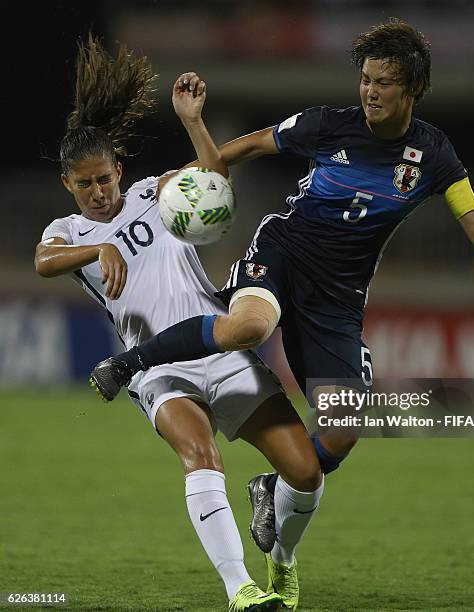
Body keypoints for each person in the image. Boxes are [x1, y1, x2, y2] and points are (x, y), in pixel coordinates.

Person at [91, 18, 474, 544]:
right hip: (283, 254)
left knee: (343, 430)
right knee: (248, 328)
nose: (370, 92)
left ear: (414, 88)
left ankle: (271, 489)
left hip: (338, 298)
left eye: (384, 83)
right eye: (366, 79)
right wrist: (192, 144)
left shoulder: (434, 155)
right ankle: (128, 362)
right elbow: (240, 154)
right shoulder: (327, 124)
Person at [35, 34, 323, 612]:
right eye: (84, 183)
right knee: (200, 455)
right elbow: (43, 263)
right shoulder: (67, 231)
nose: (97, 192)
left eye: (104, 179)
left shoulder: (152, 193)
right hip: (155, 366)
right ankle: (240, 589)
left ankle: (281, 561)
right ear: (68, 184)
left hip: (219, 345)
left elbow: (212, 175)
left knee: (306, 473)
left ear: (120, 169)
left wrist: (193, 121)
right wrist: (99, 250)